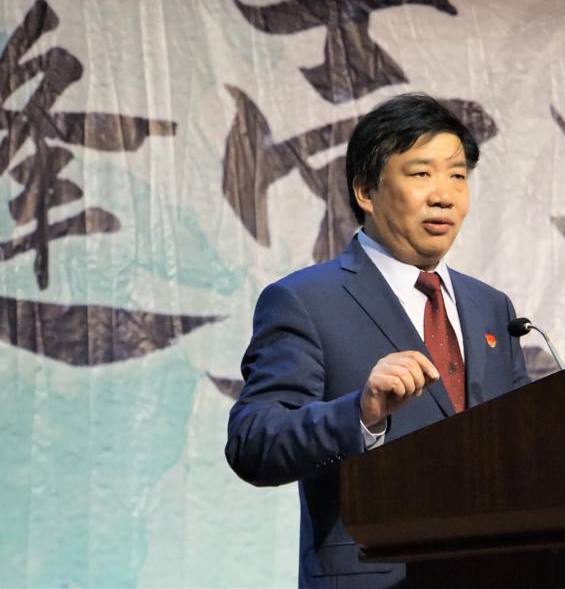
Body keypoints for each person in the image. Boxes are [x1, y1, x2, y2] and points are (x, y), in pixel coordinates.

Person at [225, 93, 530, 588]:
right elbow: (253, 443)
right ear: (366, 190)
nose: (445, 195)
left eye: (458, 176)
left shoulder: (491, 307)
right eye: (421, 173)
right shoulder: (306, 300)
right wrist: (360, 414)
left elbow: (528, 437)